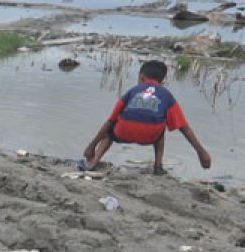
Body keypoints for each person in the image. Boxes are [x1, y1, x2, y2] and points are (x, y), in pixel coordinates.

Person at [82, 60, 211, 175]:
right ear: (162, 81)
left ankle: (93, 162)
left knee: (109, 132)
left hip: (123, 132)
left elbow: (110, 121)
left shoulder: (132, 91)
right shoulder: (166, 95)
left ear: (142, 77)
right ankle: (158, 167)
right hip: (150, 136)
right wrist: (201, 152)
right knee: (161, 129)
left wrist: (91, 146)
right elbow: (184, 128)